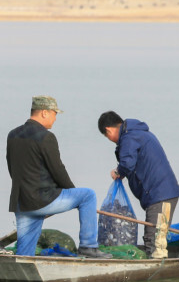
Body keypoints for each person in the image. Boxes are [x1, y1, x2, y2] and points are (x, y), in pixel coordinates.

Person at [6, 96, 111, 258]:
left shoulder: (12, 135)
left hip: (22, 203)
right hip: (43, 199)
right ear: (44, 113)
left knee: (24, 256)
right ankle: (88, 247)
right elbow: (57, 170)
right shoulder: (46, 137)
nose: (55, 119)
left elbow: (12, 168)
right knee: (87, 195)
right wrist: (73, 195)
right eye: (55, 114)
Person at [97, 111, 179, 255]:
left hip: (160, 194)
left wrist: (118, 172)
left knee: (154, 239)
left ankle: (156, 270)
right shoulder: (136, 133)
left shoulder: (129, 137)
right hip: (161, 193)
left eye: (107, 136)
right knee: (155, 236)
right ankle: (155, 264)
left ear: (109, 130)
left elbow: (127, 163)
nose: (110, 139)